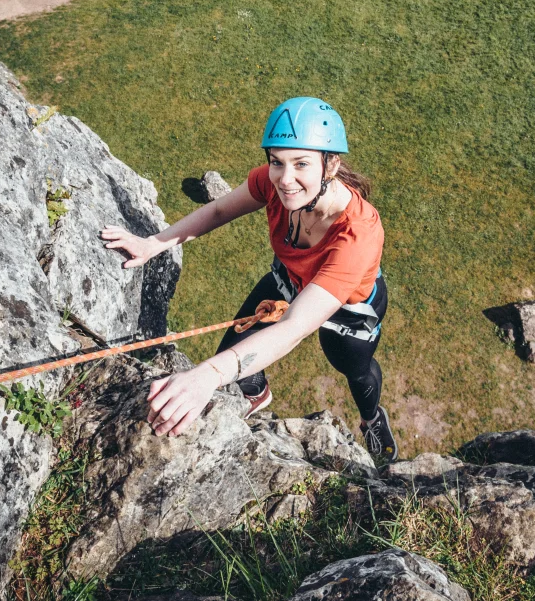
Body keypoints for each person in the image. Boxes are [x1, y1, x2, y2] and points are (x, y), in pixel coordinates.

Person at [101, 97, 398, 463]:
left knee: (356, 370)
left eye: (301, 164)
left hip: (350, 312)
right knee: (233, 348)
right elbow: (220, 209)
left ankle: (371, 419)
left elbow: (295, 327)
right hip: (290, 281)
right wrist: (152, 244)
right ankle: (255, 391)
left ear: (331, 164)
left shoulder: (359, 234)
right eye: (277, 162)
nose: (285, 180)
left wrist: (207, 377)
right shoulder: (272, 185)